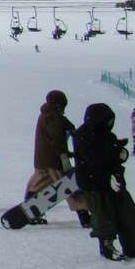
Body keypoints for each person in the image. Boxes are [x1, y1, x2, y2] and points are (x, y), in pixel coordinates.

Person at [73, 103, 135, 261]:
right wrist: (112, 160)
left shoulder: (106, 134)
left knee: (128, 214)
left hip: (115, 182)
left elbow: (111, 153)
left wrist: (121, 153)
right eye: (108, 121)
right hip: (95, 184)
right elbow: (94, 160)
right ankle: (107, 246)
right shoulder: (84, 136)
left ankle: (134, 248)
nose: (110, 124)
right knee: (104, 216)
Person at [24, 90, 89, 226]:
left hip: (42, 159)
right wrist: (63, 154)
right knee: (68, 186)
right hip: (54, 160)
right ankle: (84, 216)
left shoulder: (46, 114)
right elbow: (57, 139)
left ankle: (30, 211)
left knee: (37, 184)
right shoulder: (54, 117)